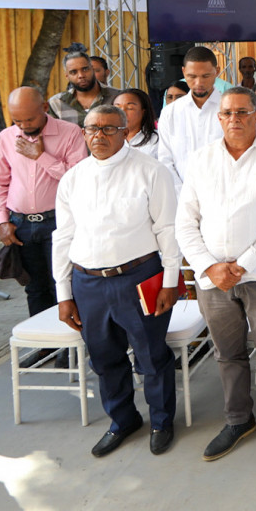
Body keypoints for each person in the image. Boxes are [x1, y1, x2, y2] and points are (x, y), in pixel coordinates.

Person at [177, 86, 256, 461]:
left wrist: (244, 264)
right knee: (228, 353)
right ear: (219, 118)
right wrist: (209, 266)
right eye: (228, 113)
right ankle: (238, 419)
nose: (235, 119)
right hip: (214, 278)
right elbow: (185, 222)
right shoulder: (200, 160)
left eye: (243, 112)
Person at [52, 105, 181, 456]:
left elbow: (167, 229)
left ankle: (161, 421)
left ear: (125, 132)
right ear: (83, 133)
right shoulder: (73, 178)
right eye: (92, 129)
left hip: (138, 277)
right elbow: (63, 237)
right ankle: (122, 420)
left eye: (109, 129)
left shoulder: (151, 171)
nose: (100, 135)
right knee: (104, 358)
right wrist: (64, 293)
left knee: (151, 356)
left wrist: (170, 281)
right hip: (88, 283)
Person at [0, 86, 87, 320]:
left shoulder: (70, 133)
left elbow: (78, 179)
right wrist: (1, 221)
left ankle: (70, 340)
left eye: (29, 119)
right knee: (34, 289)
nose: (23, 125)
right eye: (17, 120)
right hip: (20, 225)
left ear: (44, 108)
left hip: (59, 222)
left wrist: (41, 157)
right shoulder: (6, 137)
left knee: (63, 287)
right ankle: (43, 339)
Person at [157, 47, 223, 190]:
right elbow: (165, 160)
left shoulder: (230, 111)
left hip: (224, 194)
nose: (199, 83)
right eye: (192, 76)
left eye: (205, 76)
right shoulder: (170, 113)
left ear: (217, 71)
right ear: (183, 72)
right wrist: (182, 194)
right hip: (180, 196)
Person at [48, 51, 119, 126]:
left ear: (92, 69)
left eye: (85, 69)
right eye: (74, 72)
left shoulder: (117, 96)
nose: (81, 75)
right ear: (67, 76)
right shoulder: (56, 102)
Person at [113, 89, 159, 156]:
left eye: (130, 108)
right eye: (117, 108)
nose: (122, 113)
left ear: (143, 112)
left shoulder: (157, 140)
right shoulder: (107, 139)